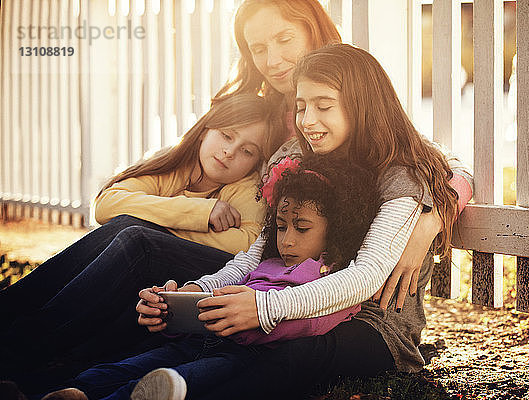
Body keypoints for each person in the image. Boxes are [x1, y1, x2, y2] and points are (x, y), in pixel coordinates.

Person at [190, 43, 473, 399]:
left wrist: (264, 308)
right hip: (289, 293)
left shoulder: (400, 173)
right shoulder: (299, 158)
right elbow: (258, 252)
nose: (307, 121)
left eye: (323, 106)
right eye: (302, 106)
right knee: (223, 341)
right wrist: (201, 291)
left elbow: (365, 278)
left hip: (374, 324)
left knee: (294, 356)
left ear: (362, 106)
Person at [40, 155, 379, 400]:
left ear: (334, 231)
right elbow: (222, 281)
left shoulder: (333, 281)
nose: (286, 239)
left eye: (302, 228)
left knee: (182, 379)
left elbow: (308, 324)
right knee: (134, 364)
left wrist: (244, 320)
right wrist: (177, 308)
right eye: (280, 226)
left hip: (244, 355)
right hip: (202, 339)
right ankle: (78, 390)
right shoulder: (268, 262)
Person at [0, 94, 273, 392]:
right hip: (150, 286)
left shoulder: (246, 189)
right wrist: (199, 212)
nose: (230, 152)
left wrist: (153, 229)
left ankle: (15, 349)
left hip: (211, 280)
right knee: (128, 229)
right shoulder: (173, 163)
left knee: (135, 237)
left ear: (256, 161)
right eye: (227, 135)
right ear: (207, 127)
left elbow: (245, 245)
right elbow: (107, 204)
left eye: (247, 150)